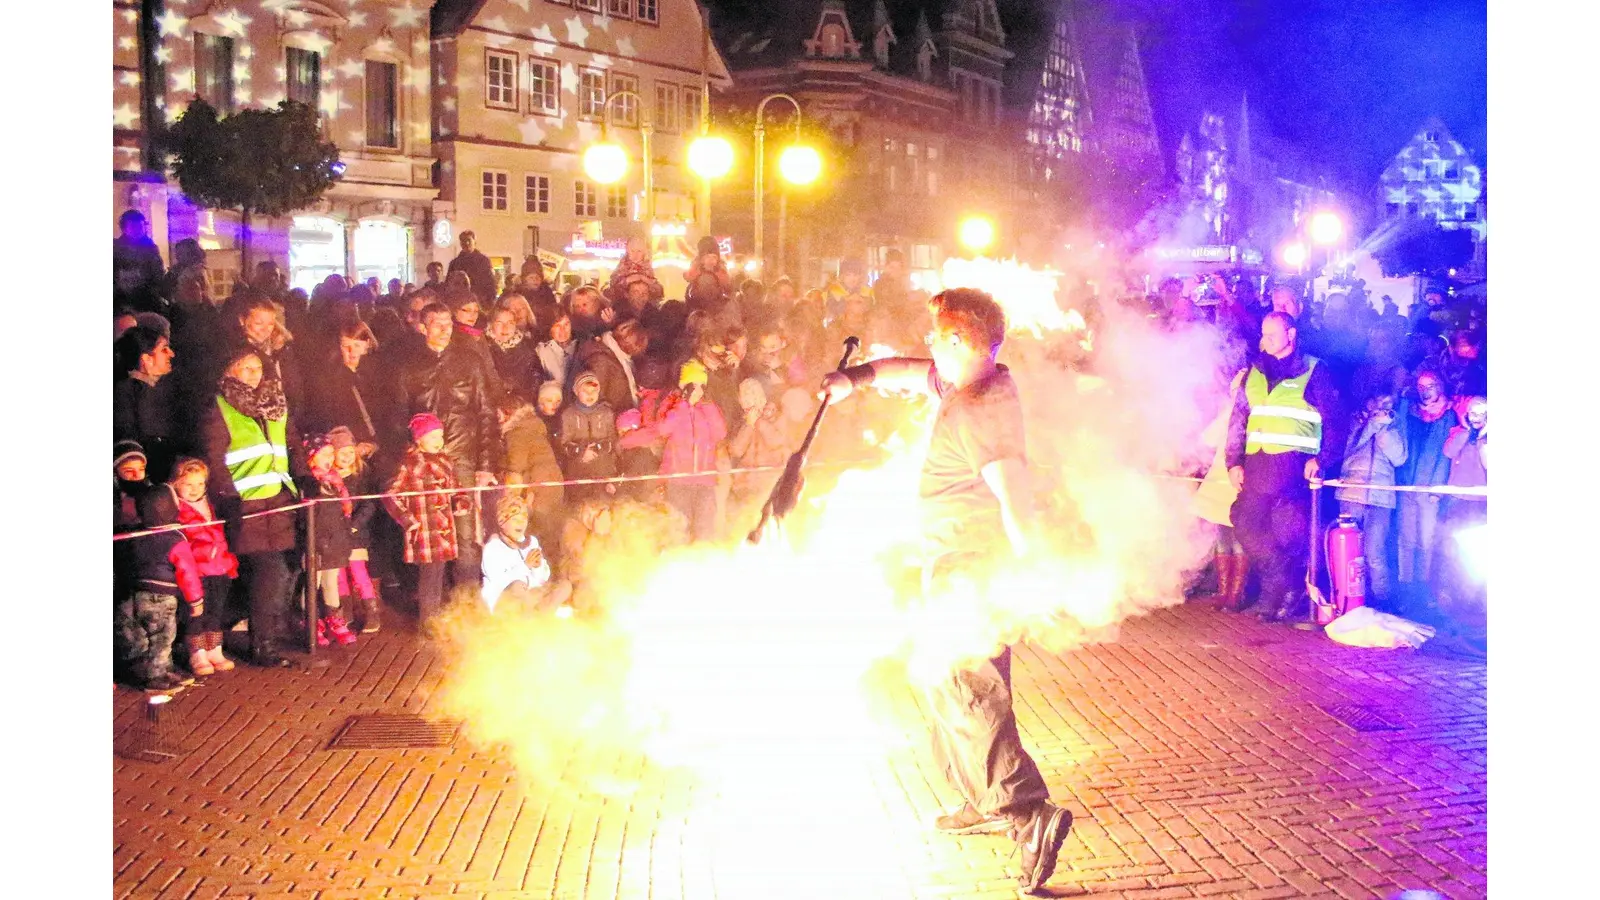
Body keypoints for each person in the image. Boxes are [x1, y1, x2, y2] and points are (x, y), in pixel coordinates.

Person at [818, 287, 1073, 893]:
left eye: (937, 336)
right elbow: (909, 372)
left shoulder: (979, 412)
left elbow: (1017, 498)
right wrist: (856, 378)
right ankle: (984, 799)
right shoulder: (976, 381)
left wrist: (1035, 573)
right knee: (947, 682)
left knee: (964, 686)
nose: (928, 344)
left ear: (962, 342)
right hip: (952, 563)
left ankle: (1026, 813)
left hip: (970, 567)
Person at [1224, 311, 1341, 623]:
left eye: (1274, 333)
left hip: (1294, 464)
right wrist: (1233, 461)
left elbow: (1334, 420)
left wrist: (1322, 459)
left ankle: (1277, 596)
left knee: (1287, 528)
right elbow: (1238, 419)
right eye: (1264, 333)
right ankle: (1282, 584)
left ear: (1291, 335)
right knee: (1245, 522)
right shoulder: (1255, 371)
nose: (1267, 339)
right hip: (1258, 462)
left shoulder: (1315, 370)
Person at [200, 348, 303, 667]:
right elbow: (215, 456)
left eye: (258, 367)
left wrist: (304, 475)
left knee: (285, 572)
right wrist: (227, 495)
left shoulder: (276, 402)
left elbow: (292, 442)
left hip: (282, 499)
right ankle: (263, 645)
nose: (254, 374)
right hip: (248, 505)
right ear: (230, 371)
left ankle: (268, 633)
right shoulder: (220, 408)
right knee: (267, 575)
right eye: (245, 368)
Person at [398, 301, 503, 578]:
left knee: (467, 534)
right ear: (423, 327)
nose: (445, 330)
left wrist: (485, 464)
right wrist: (409, 458)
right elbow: (399, 415)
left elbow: (486, 413)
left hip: (462, 458)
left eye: (448, 323)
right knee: (432, 541)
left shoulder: (469, 361)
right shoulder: (409, 366)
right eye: (437, 324)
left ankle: (466, 603)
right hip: (425, 463)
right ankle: (434, 605)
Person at [116, 488, 206, 691]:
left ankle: (162, 670)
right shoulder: (176, 540)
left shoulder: (137, 535)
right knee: (163, 637)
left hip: (137, 593)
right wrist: (196, 601)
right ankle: (155, 677)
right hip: (162, 597)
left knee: (145, 636)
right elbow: (187, 573)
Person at [385, 413, 470, 625]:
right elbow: (390, 495)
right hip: (424, 529)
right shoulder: (409, 464)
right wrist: (407, 519)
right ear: (419, 439)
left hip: (443, 528)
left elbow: (456, 488)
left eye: (440, 436)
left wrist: (461, 502)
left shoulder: (445, 461)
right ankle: (428, 622)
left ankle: (436, 617)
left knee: (439, 574)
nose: (438, 441)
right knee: (429, 577)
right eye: (432, 437)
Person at [158, 457, 239, 675]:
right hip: (197, 571)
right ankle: (197, 653)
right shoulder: (176, 509)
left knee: (216, 612)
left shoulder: (211, 504)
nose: (195, 489)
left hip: (219, 568)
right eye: (188, 484)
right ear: (176, 484)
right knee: (195, 614)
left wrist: (228, 561)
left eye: (200, 483)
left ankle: (215, 649)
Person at [1334, 392, 1407, 612]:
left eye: (1389, 404)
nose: (1385, 407)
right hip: (1351, 494)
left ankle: (1381, 599)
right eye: (1380, 402)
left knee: (1375, 551)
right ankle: (1348, 597)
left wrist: (1383, 428)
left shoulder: (1395, 426)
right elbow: (1348, 449)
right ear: (1369, 401)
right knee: (1350, 550)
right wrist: (1370, 425)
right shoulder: (1355, 420)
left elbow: (1400, 458)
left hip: (1380, 497)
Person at [1393, 369, 1455, 617]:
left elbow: (1444, 455)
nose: (1425, 390)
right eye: (1421, 386)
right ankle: (1406, 587)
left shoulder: (1447, 414)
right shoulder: (1410, 412)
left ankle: (1425, 587)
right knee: (1406, 538)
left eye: (1430, 385)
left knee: (1427, 540)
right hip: (1407, 483)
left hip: (1429, 487)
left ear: (1439, 386)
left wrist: (1438, 487)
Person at [1191, 370, 1248, 610]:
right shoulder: (1228, 413)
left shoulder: (1253, 415)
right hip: (1219, 481)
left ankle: (1236, 594)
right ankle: (1224, 592)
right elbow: (1207, 439)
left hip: (1239, 482)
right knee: (1222, 538)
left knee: (1238, 539)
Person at [304, 434, 359, 647]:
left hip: (335, 541)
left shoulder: (336, 481)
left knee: (331, 582)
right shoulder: (310, 482)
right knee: (312, 582)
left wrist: (345, 536)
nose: (328, 459)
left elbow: (343, 513)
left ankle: (335, 621)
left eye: (330, 454)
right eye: (323, 454)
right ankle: (312, 623)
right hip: (316, 542)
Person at [329, 427, 384, 634]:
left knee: (359, 573)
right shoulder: (329, 478)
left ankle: (372, 612)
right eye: (341, 452)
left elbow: (368, 505)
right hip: (335, 535)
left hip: (355, 534)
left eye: (350, 452)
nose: (347, 456)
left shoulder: (360, 477)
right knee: (339, 575)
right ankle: (346, 612)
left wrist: (354, 525)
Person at [481, 495, 573, 615]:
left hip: (532, 596)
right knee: (518, 586)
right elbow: (498, 581)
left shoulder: (531, 542)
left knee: (564, 585)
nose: (521, 524)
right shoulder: (493, 548)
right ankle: (527, 621)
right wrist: (525, 566)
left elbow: (543, 578)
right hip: (506, 603)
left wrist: (538, 567)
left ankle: (542, 616)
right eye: (515, 520)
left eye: (523, 519)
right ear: (502, 522)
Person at [114, 325, 183, 483]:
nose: (171, 354)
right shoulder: (126, 393)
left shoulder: (168, 387)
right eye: (164, 349)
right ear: (146, 359)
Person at [498, 392, 566, 540]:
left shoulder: (517, 433)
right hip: (553, 485)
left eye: (500, 415)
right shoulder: (533, 428)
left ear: (508, 413)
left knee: (535, 536)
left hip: (537, 491)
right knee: (551, 534)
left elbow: (515, 472)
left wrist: (508, 503)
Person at [558, 371, 620, 502]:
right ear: (576, 392)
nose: (590, 395)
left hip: (602, 467)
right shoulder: (568, 415)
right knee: (581, 503)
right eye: (585, 391)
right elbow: (564, 443)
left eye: (594, 391)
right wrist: (581, 452)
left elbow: (613, 440)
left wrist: (599, 449)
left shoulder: (606, 413)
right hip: (579, 468)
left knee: (603, 502)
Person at [577, 317, 648, 413]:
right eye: (636, 346)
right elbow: (594, 400)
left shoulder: (623, 359)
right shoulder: (601, 360)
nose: (636, 351)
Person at [113, 209, 166, 314]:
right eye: (133, 227)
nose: (137, 230)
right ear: (124, 228)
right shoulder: (115, 248)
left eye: (140, 227)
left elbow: (157, 274)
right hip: (119, 298)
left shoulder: (151, 249)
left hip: (145, 298)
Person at [604, 236, 665, 312]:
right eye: (632, 251)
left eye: (639, 251)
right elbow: (613, 288)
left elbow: (659, 291)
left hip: (646, 308)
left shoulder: (650, 268)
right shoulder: (621, 268)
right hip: (625, 309)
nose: (635, 254)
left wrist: (646, 280)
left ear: (644, 252)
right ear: (628, 251)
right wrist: (628, 280)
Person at [447, 230, 498, 304]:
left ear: (474, 241)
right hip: (459, 302)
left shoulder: (484, 261)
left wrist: (488, 302)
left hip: (480, 302)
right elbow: (449, 285)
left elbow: (491, 284)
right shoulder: (455, 263)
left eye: (469, 240)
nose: (466, 243)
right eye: (463, 240)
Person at [685, 236, 732, 313]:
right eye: (707, 257)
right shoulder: (696, 266)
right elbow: (689, 277)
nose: (710, 260)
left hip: (716, 305)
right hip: (697, 303)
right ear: (701, 258)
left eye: (713, 257)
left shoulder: (721, 268)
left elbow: (726, 283)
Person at [535, 312, 577, 389]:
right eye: (557, 325)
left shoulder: (579, 346)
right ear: (550, 328)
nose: (563, 329)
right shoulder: (542, 350)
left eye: (566, 324)